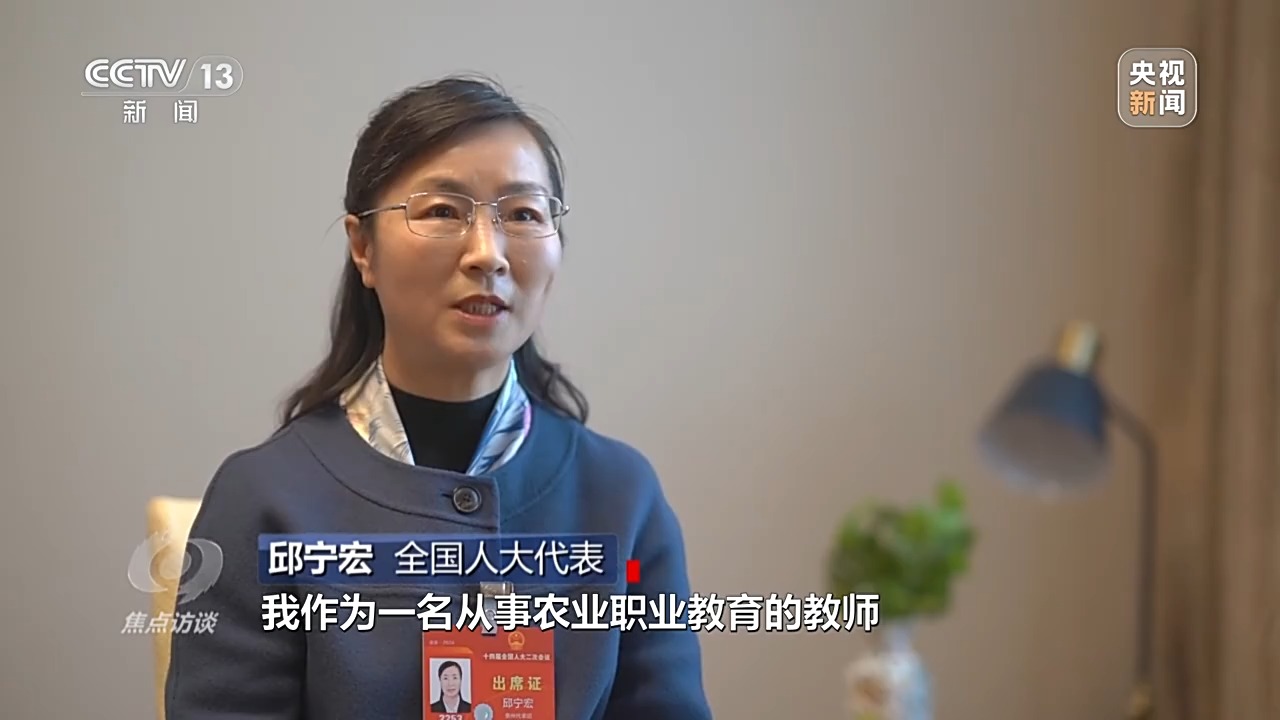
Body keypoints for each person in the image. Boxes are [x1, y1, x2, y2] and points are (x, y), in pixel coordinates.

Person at [163, 76, 712, 720]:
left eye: (523, 214)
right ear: (363, 247)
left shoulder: (622, 495)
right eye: (443, 211)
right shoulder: (264, 499)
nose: (488, 254)